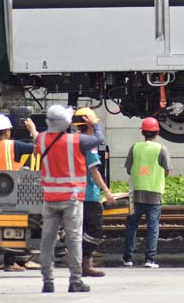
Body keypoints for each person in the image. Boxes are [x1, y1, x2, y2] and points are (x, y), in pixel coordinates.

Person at [36, 104, 105, 294]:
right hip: (72, 198)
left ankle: (48, 282)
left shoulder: (41, 140)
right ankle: (75, 281)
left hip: (49, 198)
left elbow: (39, 145)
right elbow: (99, 139)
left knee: (47, 241)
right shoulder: (77, 141)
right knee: (74, 240)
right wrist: (95, 125)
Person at [0, 112, 38, 272]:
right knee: (13, 225)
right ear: (6, 131)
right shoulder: (13, 145)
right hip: (10, 191)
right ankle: (9, 262)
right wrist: (32, 131)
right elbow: (40, 148)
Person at [122, 117, 171, 269]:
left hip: (135, 192)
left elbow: (129, 168)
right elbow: (167, 170)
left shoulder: (134, 147)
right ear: (157, 132)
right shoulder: (161, 149)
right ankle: (149, 259)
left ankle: (128, 258)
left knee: (131, 226)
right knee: (152, 227)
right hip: (154, 194)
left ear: (143, 132)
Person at [73, 108, 116, 278]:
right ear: (88, 124)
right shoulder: (88, 144)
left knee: (82, 229)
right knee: (95, 230)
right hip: (89, 194)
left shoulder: (73, 141)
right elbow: (94, 172)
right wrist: (107, 191)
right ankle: (82, 259)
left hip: (77, 193)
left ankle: (83, 264)